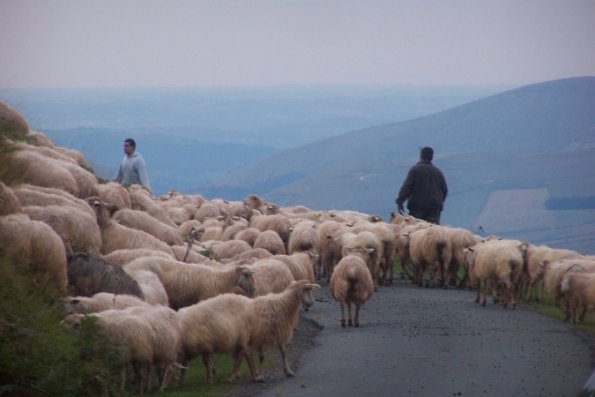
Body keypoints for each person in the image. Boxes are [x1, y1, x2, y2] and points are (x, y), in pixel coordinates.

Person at [395, 146, 447, 224]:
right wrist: (438, 202)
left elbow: (406, 187)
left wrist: (400, 202)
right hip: (434, 209)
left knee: (416, 232)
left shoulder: (415, 170)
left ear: (421, 156)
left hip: (417, 207)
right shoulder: (438, 172)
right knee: (433, 232)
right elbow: (445, 190)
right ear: (432, 157)